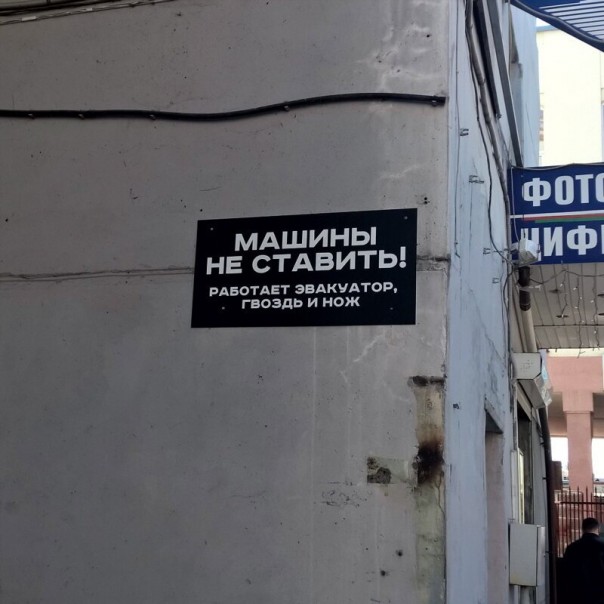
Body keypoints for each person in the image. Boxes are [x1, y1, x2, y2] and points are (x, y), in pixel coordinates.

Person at [562, 517, 604, 604]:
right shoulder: (602, 546)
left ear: (583, 529)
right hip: (600, 593)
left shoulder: (571, 548)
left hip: (578, 593)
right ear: (598, 528)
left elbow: (566, 570)